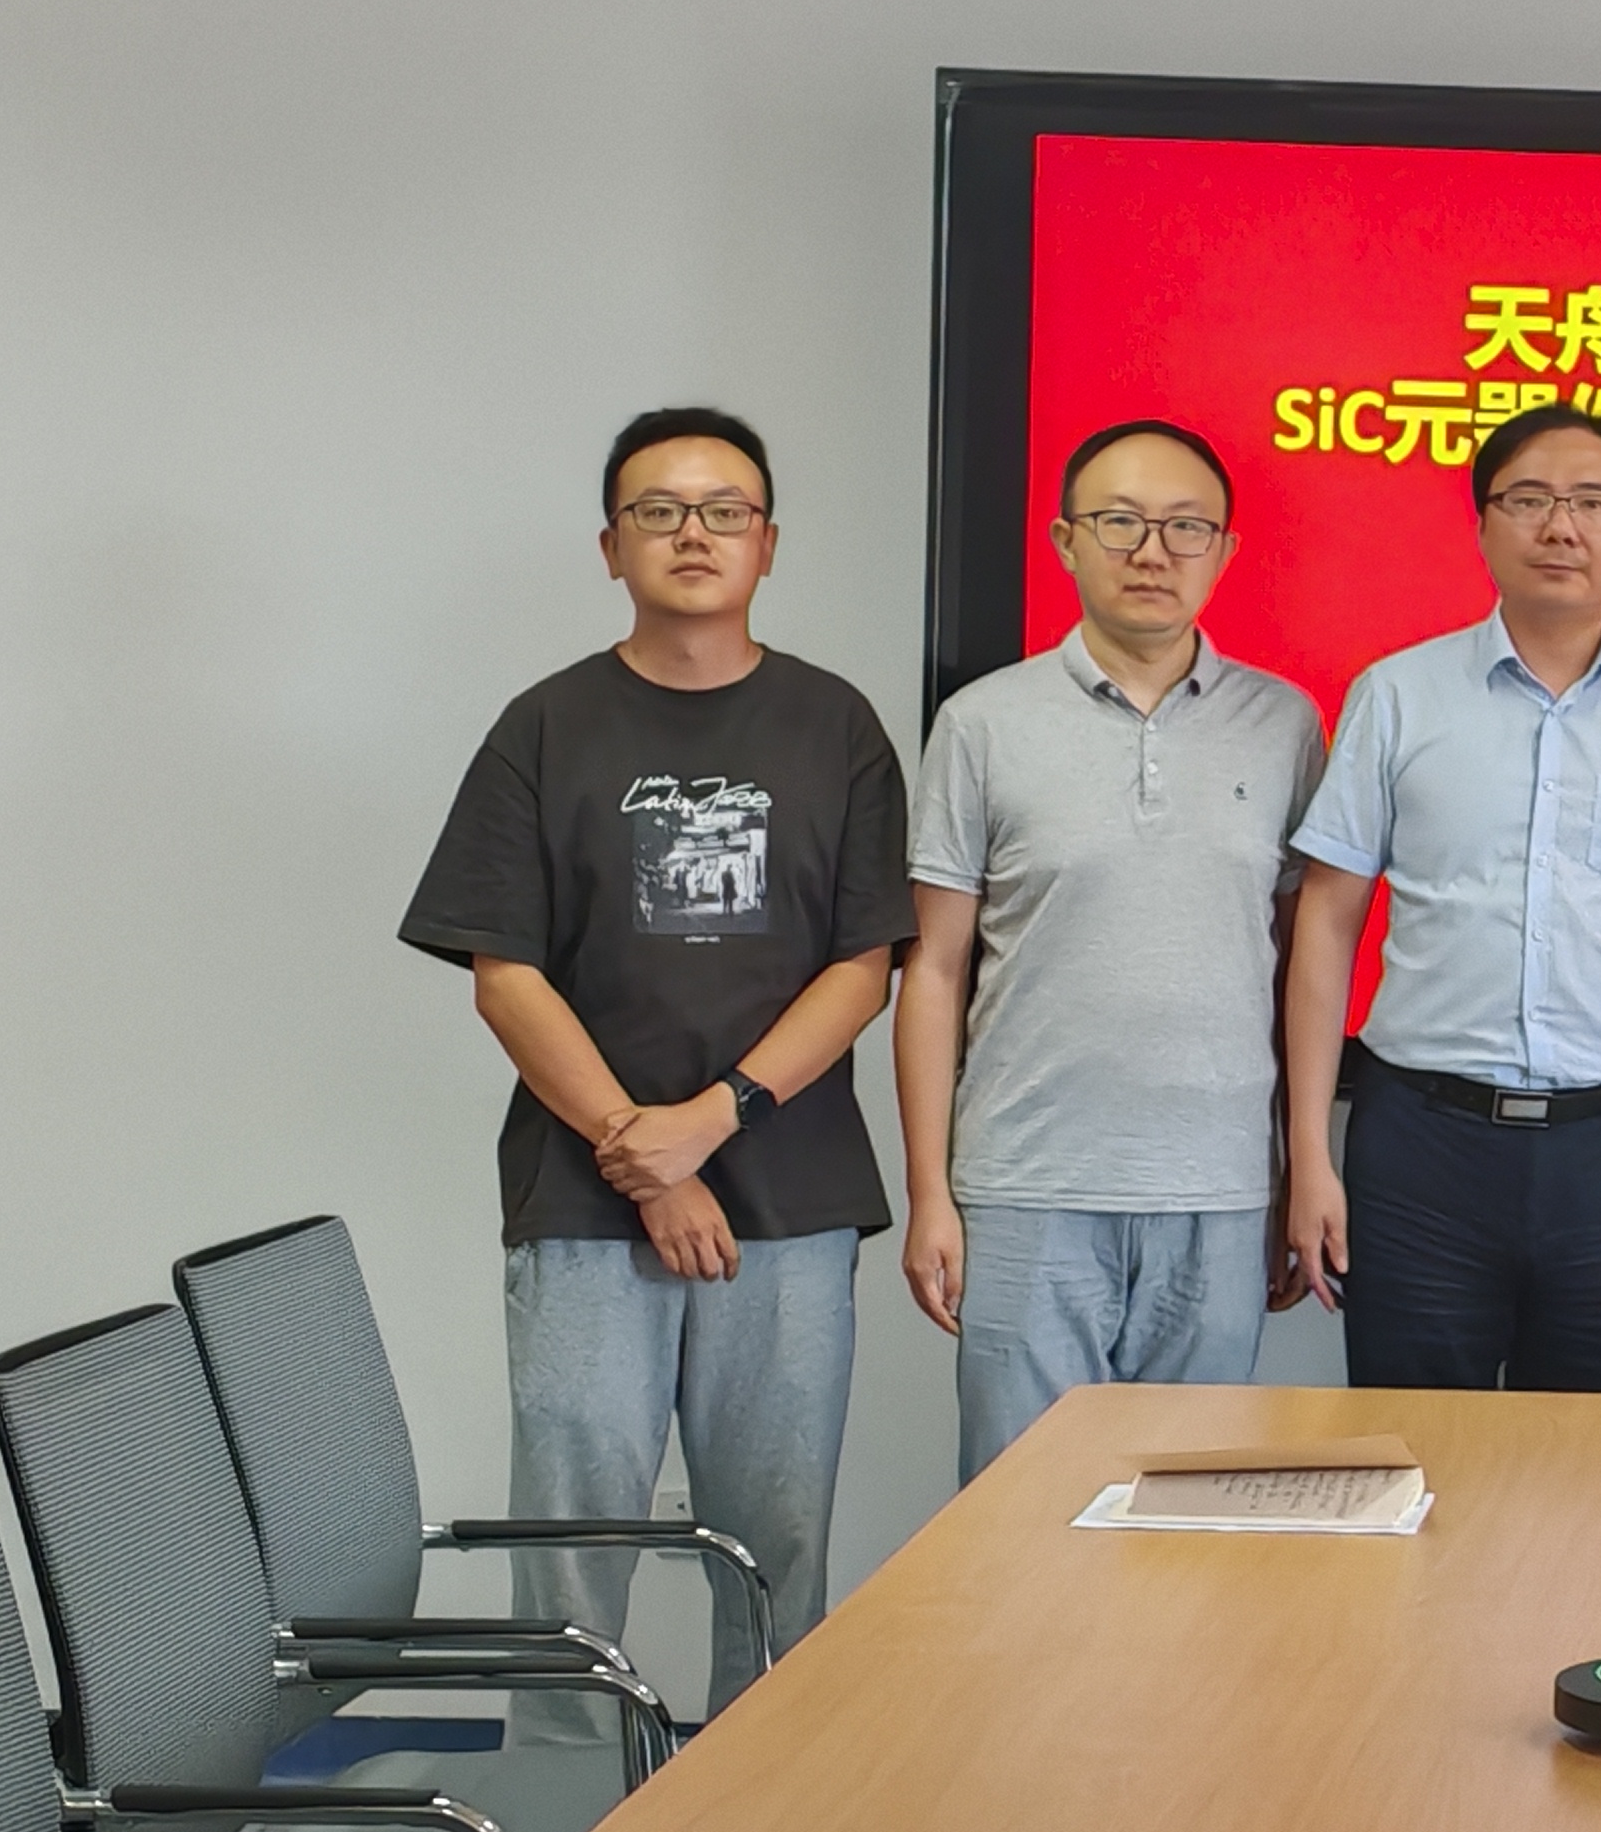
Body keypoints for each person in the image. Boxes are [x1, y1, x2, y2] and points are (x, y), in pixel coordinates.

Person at [400, 407, 913, 1729]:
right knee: (573, 1548)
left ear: (769, 543)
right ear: (611, 546)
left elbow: (864, 966)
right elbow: (505, 973)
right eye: (660, 511)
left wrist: (714, 1120)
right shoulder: (546, 727)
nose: (695, 534)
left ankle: (765, 1802)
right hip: (585, 1202)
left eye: (725, 511)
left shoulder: (836, 726)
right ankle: (565, 1802)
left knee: (777, 1546)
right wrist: (646, 1155)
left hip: (789, 1200)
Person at [1281, 402, 1601, 1390]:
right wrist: (1307, 1155)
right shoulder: (1397, 695)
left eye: (1594, 502)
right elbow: (1327, 922)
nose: (1562, 526)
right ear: (1482, 526)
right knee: (1415, 1454)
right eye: (1531, 500)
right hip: (1421, 1152)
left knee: (1600, 1463)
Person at [898, 418, 1326, 1479]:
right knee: (1017, 1514)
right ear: (1064, 541)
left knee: (1186, 1518)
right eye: (1121, 522)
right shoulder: (981, 723)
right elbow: (934, 971)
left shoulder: (1284, 724)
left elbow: (1298, 967)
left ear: (1225, 551)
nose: (1153, 551)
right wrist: (930, 1192)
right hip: (1026, 1184)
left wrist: (1291, 1168)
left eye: (1186, 528)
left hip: (1219, 1191)